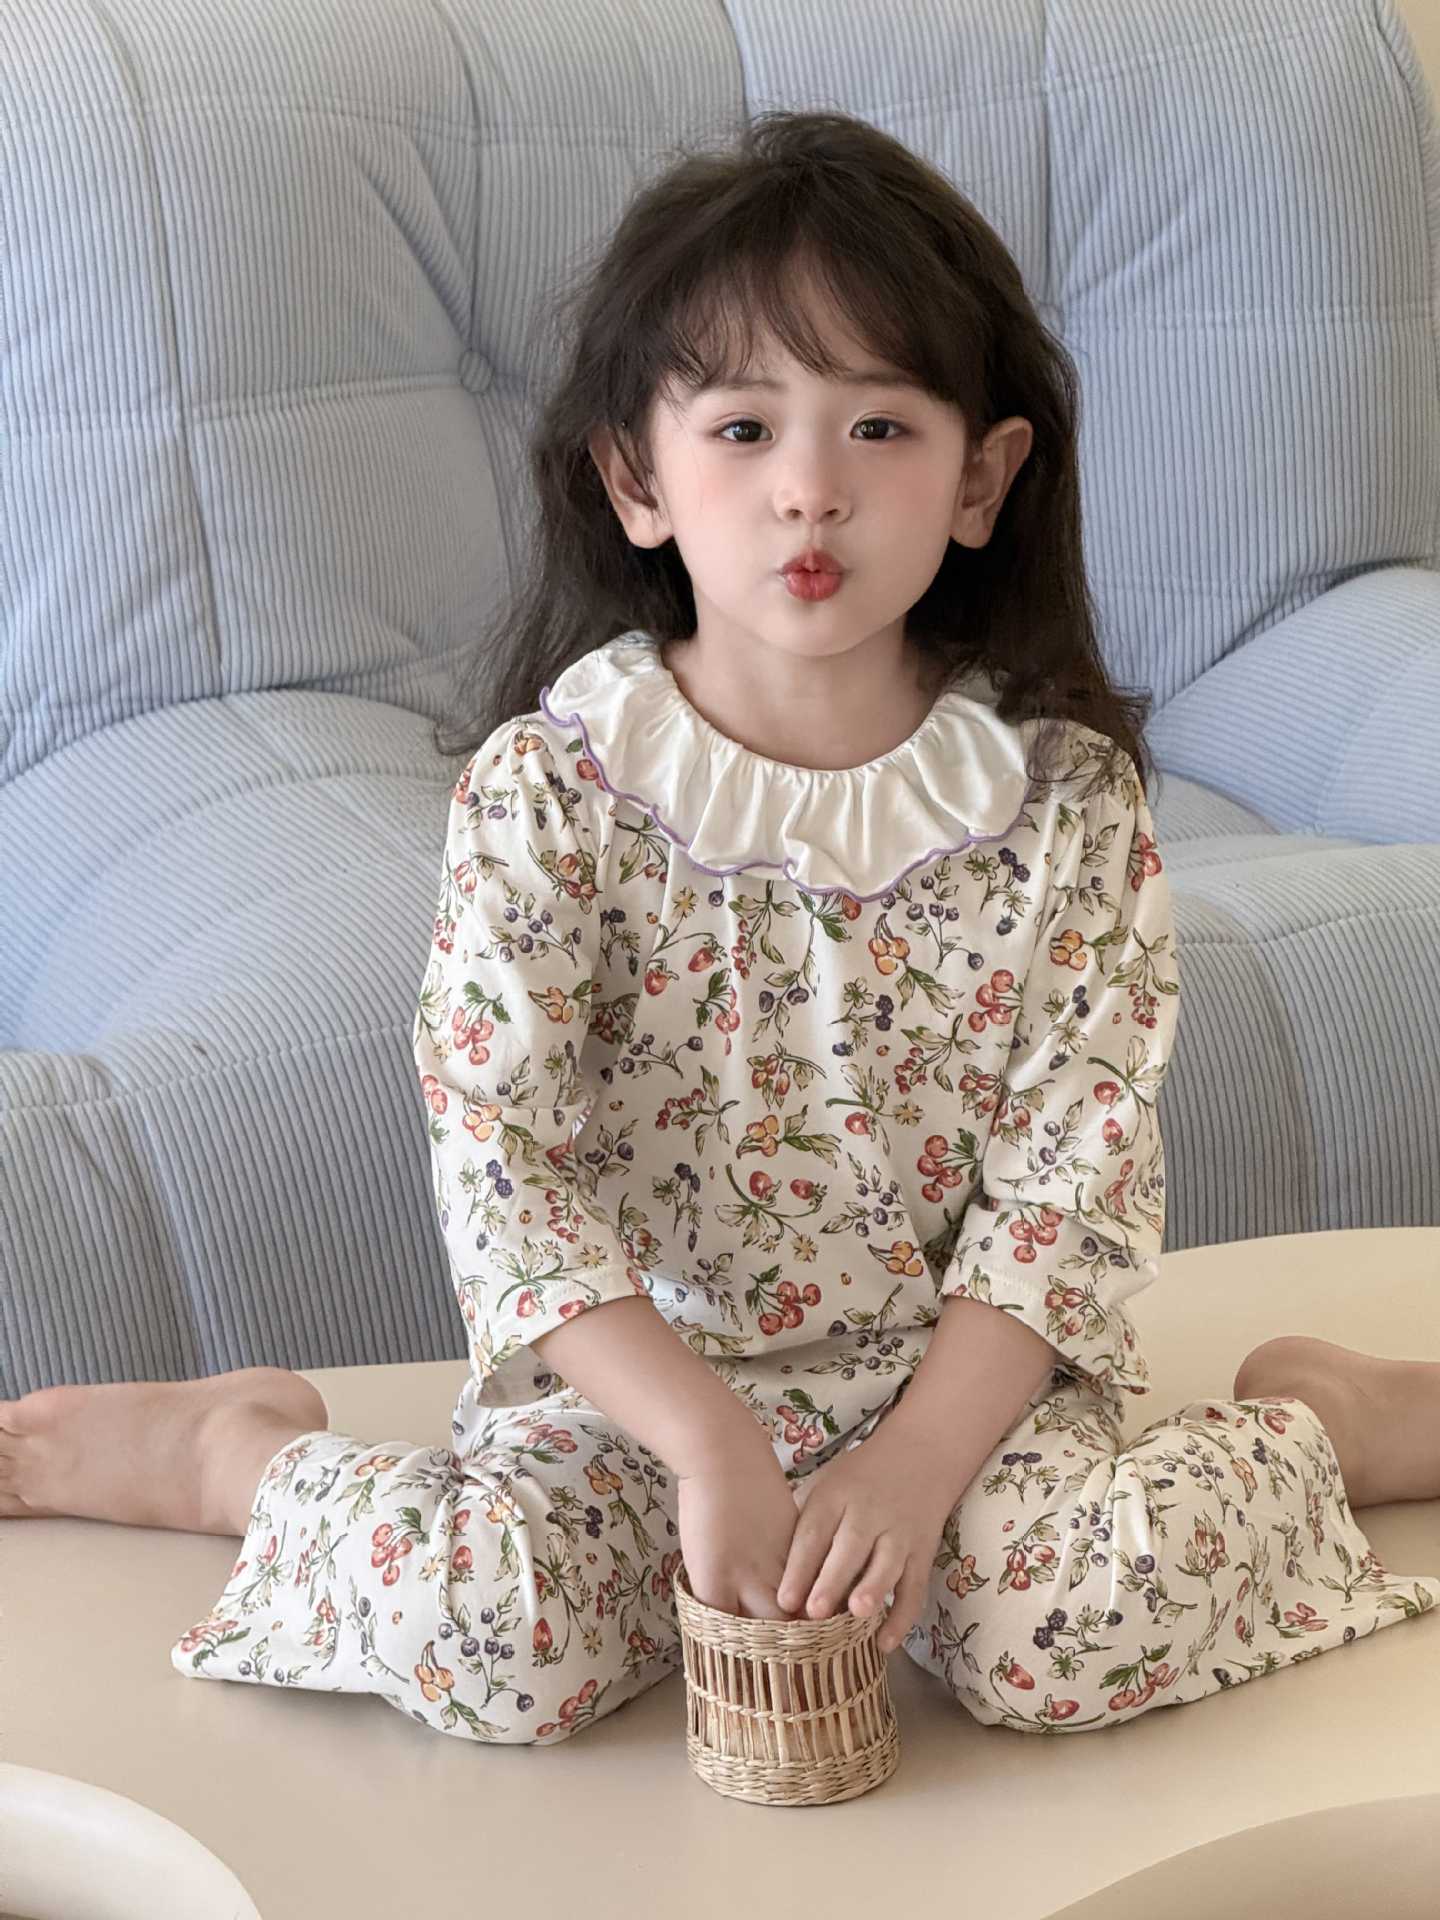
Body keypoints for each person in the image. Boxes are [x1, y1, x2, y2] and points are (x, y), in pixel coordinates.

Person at [3, 109, 1437, 1746]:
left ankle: (1328, 1426)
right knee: (495, 1634)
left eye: (880, 427)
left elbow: (1070, 1187)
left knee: (1068, 1633)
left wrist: (916, 1463)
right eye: (744, 428)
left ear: (981, 479)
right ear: (637, 477)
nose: (809, 491)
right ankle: (233, 1458)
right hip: (640, 1392)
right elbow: (504, 1165)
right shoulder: (552, 794)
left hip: (959, 1393)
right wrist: (702, 1441)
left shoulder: (1064, 806)